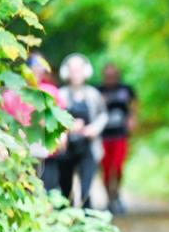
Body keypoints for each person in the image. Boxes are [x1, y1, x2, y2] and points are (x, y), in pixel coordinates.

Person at [51, 53, 107, 208]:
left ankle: (86, 222)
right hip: (66, 150)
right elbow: (53, 119)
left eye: (79, 70)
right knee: (65, 190)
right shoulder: (60, 94)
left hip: (88, 148)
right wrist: (67, 129)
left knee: (86, 191)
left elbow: (103, 115)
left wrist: (93, 129)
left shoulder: (93, 94)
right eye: (73, 70)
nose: (76, 74)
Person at [97, 64, 137, 215]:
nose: (110, 78)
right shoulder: (99, 91)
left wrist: (132, 119)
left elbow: (134, 105)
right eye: (108, 76)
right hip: (103, 136)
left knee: (118, 166)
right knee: (106, 169)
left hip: (120, 134)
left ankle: (117, 193)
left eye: (113, 75)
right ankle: (109, 198)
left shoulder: (126, 89)